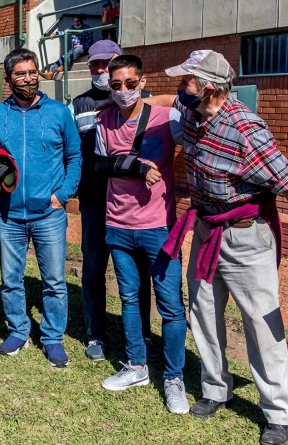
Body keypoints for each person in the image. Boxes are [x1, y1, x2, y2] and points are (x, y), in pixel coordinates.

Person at [161, 50, 288, 444]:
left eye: (185, 81)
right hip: (207, 229)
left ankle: (280, 412)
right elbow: (162, 100)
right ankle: (215, 389)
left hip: (246, 237)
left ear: (208, 88)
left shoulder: (247, 131)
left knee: (261, 324)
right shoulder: (192, 110)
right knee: (203, 313)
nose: (178, 87)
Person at [94, 55, 189, 415]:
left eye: (130, 84)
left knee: (171, 306)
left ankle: (174, 377)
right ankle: (136, 367)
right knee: (129, 299)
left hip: (158, 227)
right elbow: (98, 164)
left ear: (143, 81)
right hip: (118, 225)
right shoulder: (104, 118)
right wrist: (134, 166)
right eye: (116, 85)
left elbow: (194, 125)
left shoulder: (167, 119)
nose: (122, 92)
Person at [0, 48, 81, 368]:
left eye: (32, 72)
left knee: (54, 280)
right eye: (21, 74)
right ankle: (18, 330)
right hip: (8, 214)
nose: (29, 78)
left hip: (49, 214)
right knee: (11, 279)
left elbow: (75, 157)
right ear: (8, 79)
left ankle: (52, 337)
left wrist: (62, 195)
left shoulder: (58, 112)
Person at [67, 41, 157, 363]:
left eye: (107, 64)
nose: (102, 71)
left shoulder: (144, 100)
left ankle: (142, 334)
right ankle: (95, 334)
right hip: (95, 203)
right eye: (95, 65)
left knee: (136, 274)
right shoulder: (78, 105)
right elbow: (75, 154)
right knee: (93, 270)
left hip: (135, 206)